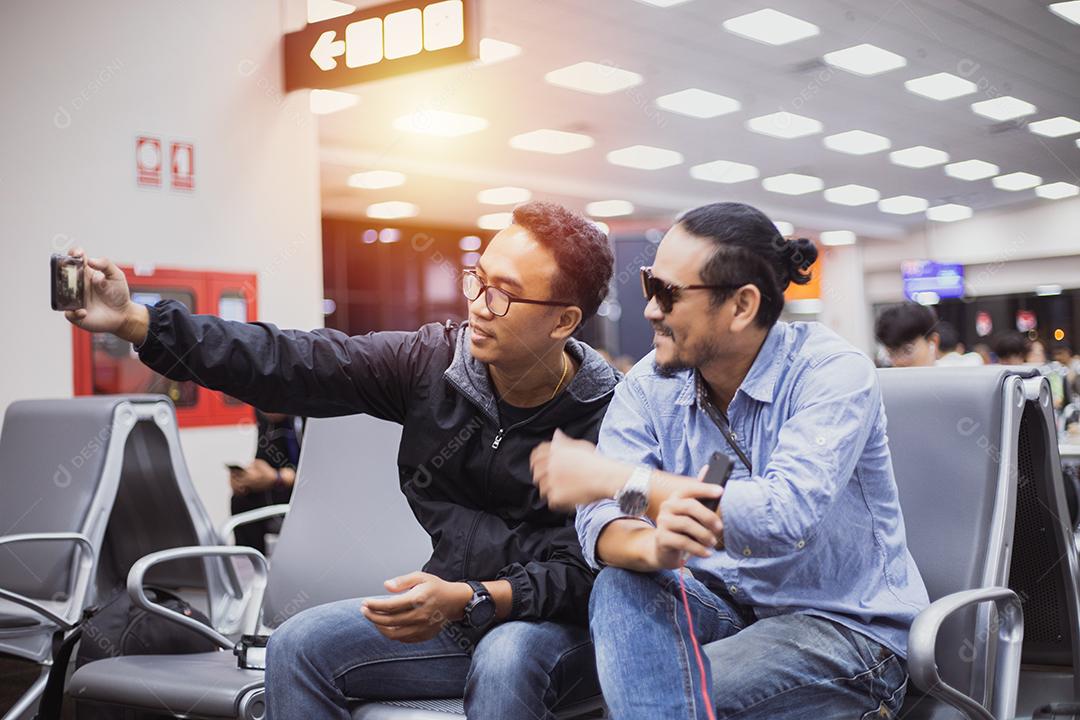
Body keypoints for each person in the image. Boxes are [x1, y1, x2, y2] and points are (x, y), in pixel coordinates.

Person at [61, 200, 619, 720]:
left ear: (563, 321)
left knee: (506, 655)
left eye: (504, 293)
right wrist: (139, 320)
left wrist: (480, 598)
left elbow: (593, 571)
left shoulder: (613, 416)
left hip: (562, 628)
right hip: (455, 609)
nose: (478, 305)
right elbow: (293, 361)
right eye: (477, 281)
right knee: (298, 645)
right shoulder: (432, 366)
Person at [531, 202, 928, 719]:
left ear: (741, 306)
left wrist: (618, 480)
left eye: (667, 294)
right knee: (622, 582)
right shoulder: (649, 385)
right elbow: (600, 518)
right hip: (723, 610)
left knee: (666, 701)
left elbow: (784, 516)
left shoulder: (831, 372)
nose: (650, 309)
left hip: (844, 629)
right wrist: (656, 544)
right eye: (651, 284)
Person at [229, 410, 304, 555]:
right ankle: (251, 566)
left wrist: (281, 477)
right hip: (278, 494)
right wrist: (246, 479)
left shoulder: (310, 419)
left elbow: (326, 472)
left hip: (309, 494)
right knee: (241, 501)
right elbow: (262, 462)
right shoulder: (266, 421)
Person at [873, 302, 938, 367]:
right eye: (891, 353)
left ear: (933, 341)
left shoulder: (947, 375)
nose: (899, 362)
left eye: (907, 350)